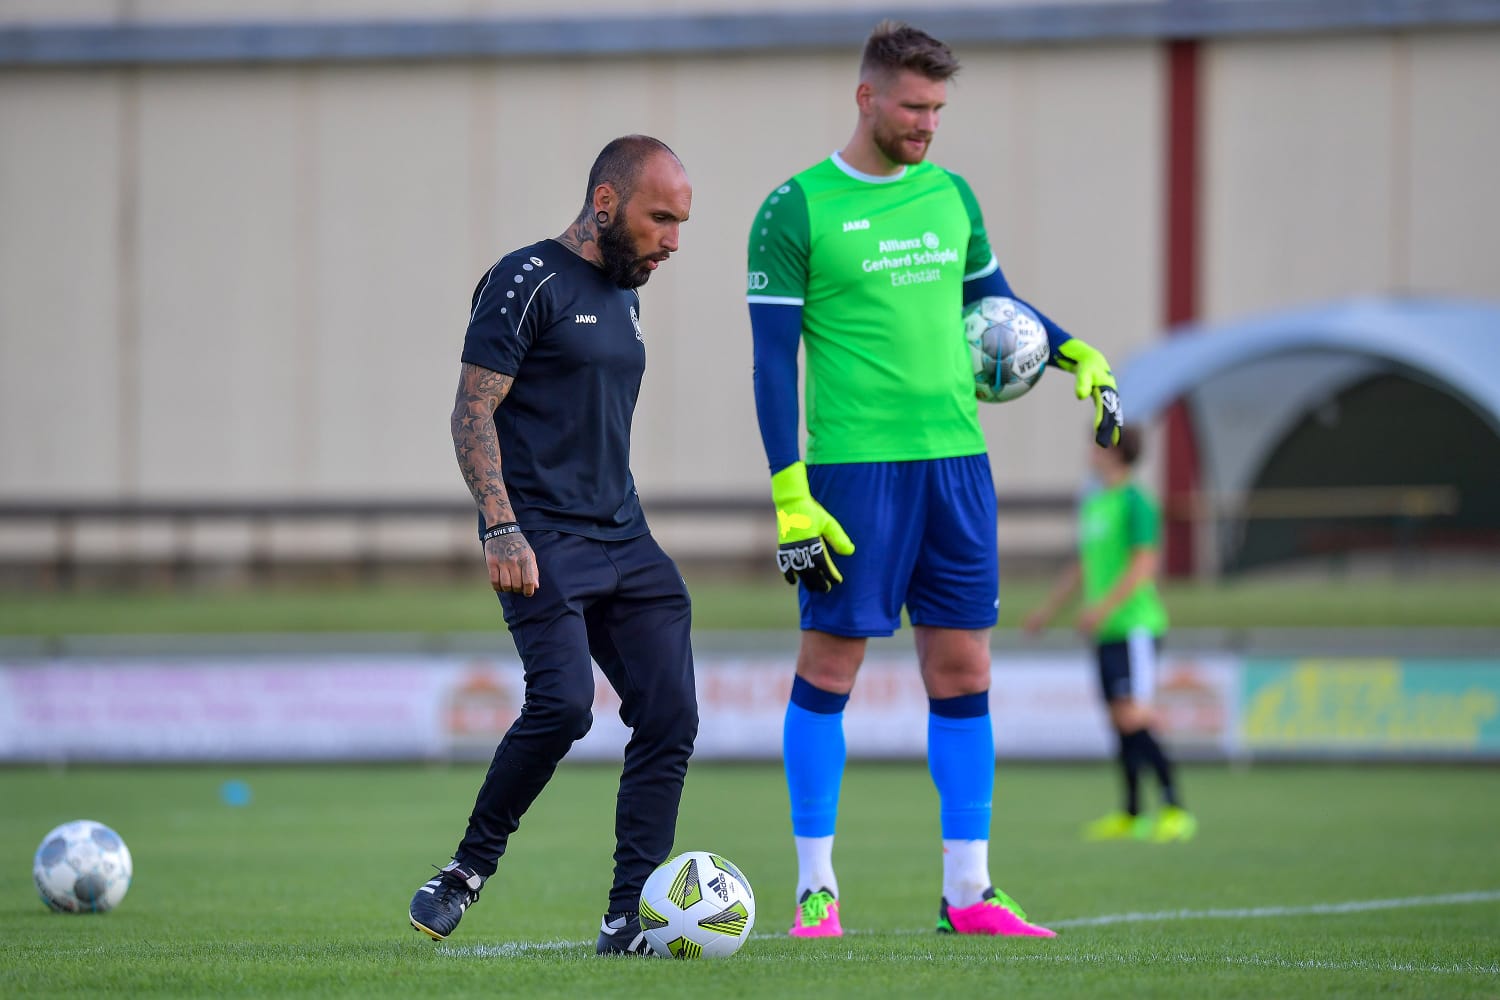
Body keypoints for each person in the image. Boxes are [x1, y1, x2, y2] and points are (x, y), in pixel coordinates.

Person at [746, 20, 1124, 939]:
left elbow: (993, 303)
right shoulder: (794, 208)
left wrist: (1075, 351)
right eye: (913, 106)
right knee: (829, 666)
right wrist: (791, 496)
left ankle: (969, 892)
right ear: (866, 97)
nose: (927, 123)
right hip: (852, 475)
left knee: (964, 667)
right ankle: (815, 891)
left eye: (938, 109)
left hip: (957, 466)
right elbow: (770, 363)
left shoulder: (952, 196)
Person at [408, 135, 699, 956]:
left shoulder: (627, 293)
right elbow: (471, 412)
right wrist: (502, 527)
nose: (673, 240)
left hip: (626, 536)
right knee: (565, 703)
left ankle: (627, 918)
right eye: (661, 219)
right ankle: (466, 870)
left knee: (671, 716)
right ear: (606, 203)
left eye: (681, 223)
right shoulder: (524, 280)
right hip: (542, 539)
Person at [1023, 427, 1196, 843]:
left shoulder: (1137, 502)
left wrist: (1102, 607)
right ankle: (1132, 813)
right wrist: (1048, 611)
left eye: (1096, 442)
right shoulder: (1095, 502)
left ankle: (1175, 808)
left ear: (1115, 451)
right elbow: (1084, 564)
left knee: (1135, 716)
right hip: (1105, 630)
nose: (1089, 450)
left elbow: (1143, 565)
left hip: (1135, 627)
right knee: (1118, 721)